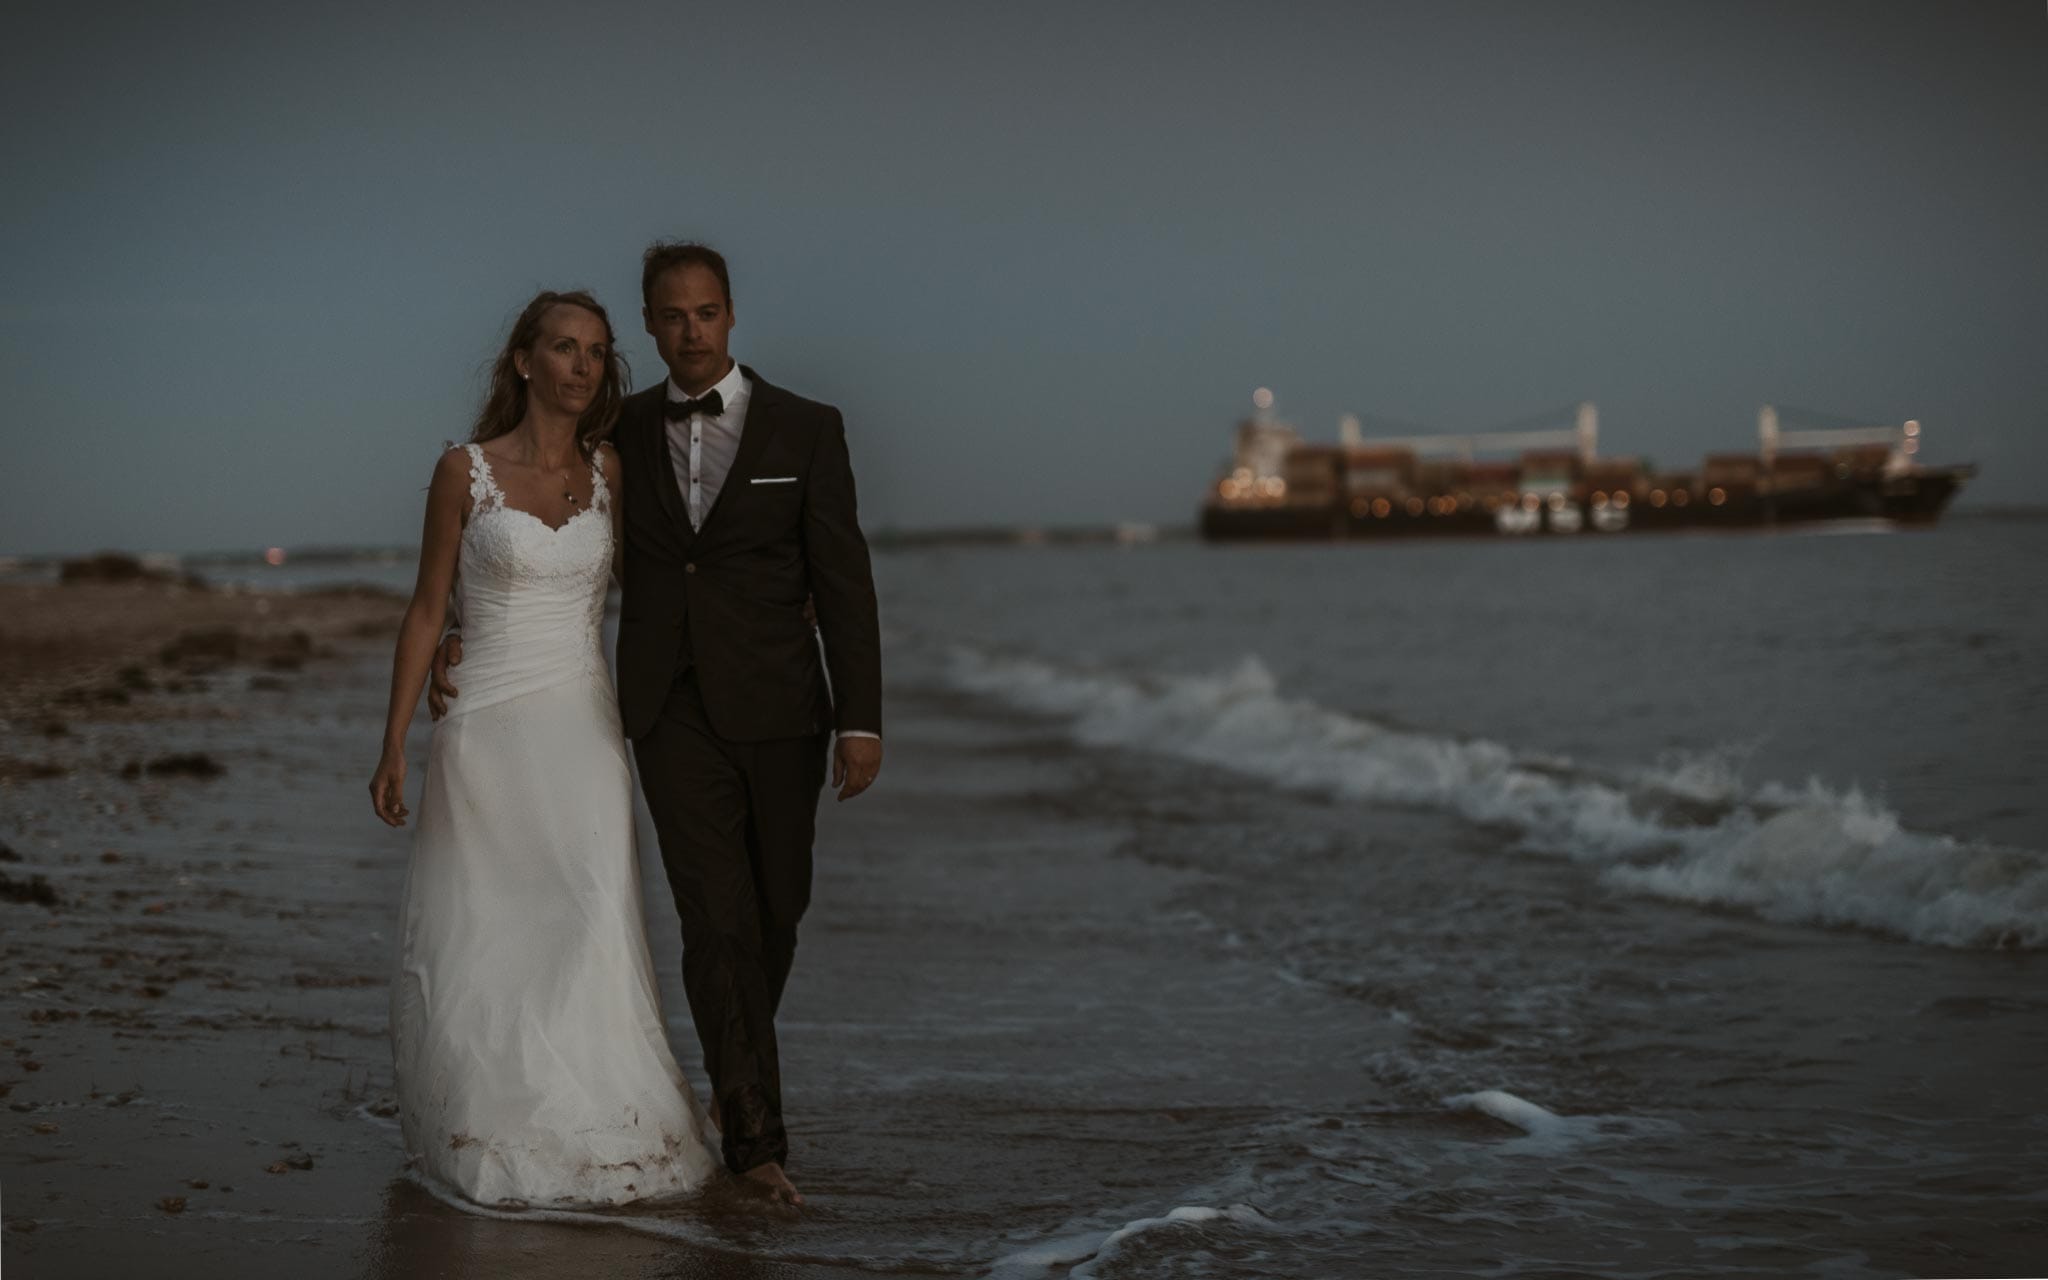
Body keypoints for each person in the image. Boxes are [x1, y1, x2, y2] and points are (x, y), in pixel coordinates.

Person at [426, 242, 885, 1207]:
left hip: (783, 707)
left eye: (707, 313)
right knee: (713, 916)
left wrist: (861, 719)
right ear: (650, 324)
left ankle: (734, 1074)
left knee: (776, 905)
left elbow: (843, 579)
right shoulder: (619, 435)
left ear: (730, 315)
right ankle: (755, 1136)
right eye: (672, 317)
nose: (691, 332)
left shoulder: (808, 428)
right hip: (664, 706)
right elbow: (529, 523)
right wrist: (451, 637)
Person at [369, 290, 723, 1207]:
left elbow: (682, 574)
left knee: (590, 915)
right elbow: (424, 609)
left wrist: (783, 601)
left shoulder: (611, 469)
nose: (581, 365)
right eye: (563, 347)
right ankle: (495, 1123)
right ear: (523, 360)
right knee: (490, 934)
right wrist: (394, 744)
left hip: (582, 726)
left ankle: (600, 1122)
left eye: (598, 353)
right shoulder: (464, 472)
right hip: (483, 727)